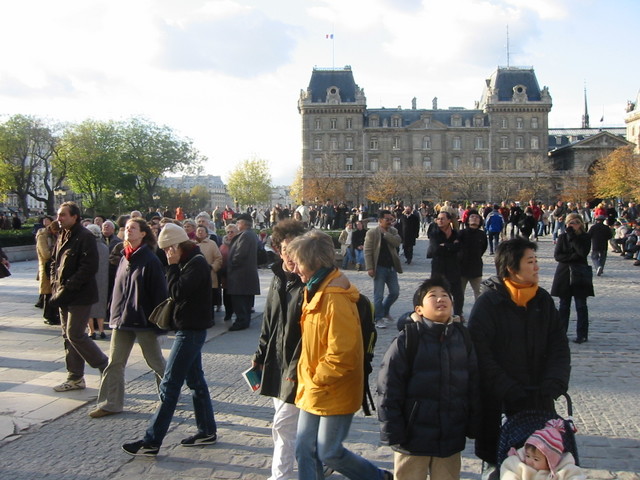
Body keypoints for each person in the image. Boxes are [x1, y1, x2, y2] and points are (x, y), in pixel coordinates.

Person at [286, 231, 393, 480]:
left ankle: (377, 477)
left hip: (331, 387)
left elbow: (342, 353)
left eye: (298, 262)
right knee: (304, 449)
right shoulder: (315, 288)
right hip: (314, 386)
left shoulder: (334, 298)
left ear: (314, 262)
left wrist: (315, 378)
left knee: (329, 452)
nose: (295, 269)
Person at [468, 237, 570, 480]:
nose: (537, 267)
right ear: (512, 268)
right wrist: (505, 386)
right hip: (499, 404)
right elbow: (480, 353)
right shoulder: (488, 303)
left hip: (538, 399)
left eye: (536, 261)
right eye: (531, 261)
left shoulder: (542, 300)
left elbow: (559, 345)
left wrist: (555, 380)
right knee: (498, 466)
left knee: (539, 467)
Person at [122, 222, 216, 456]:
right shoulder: (189, 261)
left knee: (170, 384)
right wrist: (173, 265)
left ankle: (152, 440)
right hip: (190, 328)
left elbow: (175, 292)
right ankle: (206, 430)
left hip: (191, 330)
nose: (166, 254)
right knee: (196, 382)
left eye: (168, 250)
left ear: (176, 246)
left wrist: (173, 267)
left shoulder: (196, 263)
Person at [377, 277, 480, 480]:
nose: (440, 299)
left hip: (450, 436)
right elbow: (388, 388)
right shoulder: (408, 339)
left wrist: (473, 422)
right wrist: (392, 431)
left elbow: (473, 384)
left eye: (445, 295)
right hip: (413, 438)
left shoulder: (462, 337)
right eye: (432, 296)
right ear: (419, 309)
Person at [90, 218, 168, 418]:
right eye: (126, 228)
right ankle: (110, 403)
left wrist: (158, 322)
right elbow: (117, 289)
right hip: (121, 319)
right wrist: (112, 312)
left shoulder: (150, 259)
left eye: (133, 228)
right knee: (115, 362)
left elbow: (159, 293)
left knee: (156, 362)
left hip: (144, 321)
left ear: (143, 233)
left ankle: (169, 397)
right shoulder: (124, 256)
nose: (128, 231)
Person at [252, 219, 306, 480]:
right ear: (277, 248)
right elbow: (269, 320)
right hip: (276, 360)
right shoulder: (277, 277)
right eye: (285, 248)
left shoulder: (308, 282)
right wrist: (260, 355)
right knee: (288, 424)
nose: (290, 255)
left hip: (299, 364)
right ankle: (320, 458)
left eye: (296, 249)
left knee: (283, 425)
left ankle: (280, 477)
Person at [48, 202, 109, 392]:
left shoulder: (85, 236)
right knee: (67, 335)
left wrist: (68, 287)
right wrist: (54, 284)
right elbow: (54, 262)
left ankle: (106, 366)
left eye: (63, 215)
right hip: (63, 293)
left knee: (75, 333)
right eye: (59, 215)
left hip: (80, 295)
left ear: (75, 217)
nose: (59, 218)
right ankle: (75, 377)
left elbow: (88, 267)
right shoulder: (62, 235)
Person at [550, 213, 594, 344]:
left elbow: (582, 252)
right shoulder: (563, 237)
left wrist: (573, 237)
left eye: (574, 222)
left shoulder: (585, 237)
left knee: (581, 305)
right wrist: (573, 257)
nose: (571, 225)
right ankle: (562, 333)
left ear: (580, 224)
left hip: (580, 273)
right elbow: (558, 256)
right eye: (569, 222)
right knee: (564, 305)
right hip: (564, 273)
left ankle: (582, 334)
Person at [500, 419, 585, 480]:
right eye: (528, 456)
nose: (530, 461)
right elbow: (508, 474)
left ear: (550, 461)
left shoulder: (563, 468)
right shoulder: (518, 463)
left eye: (536, 459)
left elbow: (576, 476)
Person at [364, 210, 403, 329]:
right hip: (379, 267)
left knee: (395, 292)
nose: (390, 222)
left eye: (391, 219)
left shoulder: (393, 231)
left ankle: (385, 311)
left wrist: (386, 234)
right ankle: (378, 318)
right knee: (378, 295)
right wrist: (370, 267)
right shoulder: (372, 233)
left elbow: (397, 242)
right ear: (380, 220)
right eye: (387, 219)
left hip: (391, 267)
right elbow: (368, 250)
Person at [226, 213, 260, 331]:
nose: (236, 225)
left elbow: (240, 254)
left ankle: (241, 322)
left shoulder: (245, 235)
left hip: (240, 274)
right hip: (245, 274)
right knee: (244, 301)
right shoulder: (250, 234)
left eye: (238, 222)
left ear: (244, 224)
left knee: (240, 301)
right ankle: (244, 321)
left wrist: (231, 264)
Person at [428, 211, 464, 318]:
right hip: (438, 268)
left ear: (449, 220)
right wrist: (451, 246)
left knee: (458, 295)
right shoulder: (434, 233)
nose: (440, 221)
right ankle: (437, 314)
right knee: (438, 293)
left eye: (442, 218)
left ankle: (457, 315)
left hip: (454, 268)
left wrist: (446, 246)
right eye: (438, 219)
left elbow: (459, 248)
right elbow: (436, 249)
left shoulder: (456, 234)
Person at [458, 212, 488, 311]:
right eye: (472, 217)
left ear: (480, 221)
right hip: (462, 267)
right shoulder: (461, 233)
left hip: (476, 267)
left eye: (477, 217)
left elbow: (483, 248)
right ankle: (458, 313)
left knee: (479, 293)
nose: (474, 218)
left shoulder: (482, 234)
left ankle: (478, 314)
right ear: (468, 220)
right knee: (459, 293)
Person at [194, 225, 223, 321]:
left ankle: (210, 319)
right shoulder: (191, 244)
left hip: (209, 274)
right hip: (195, 275)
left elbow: (218, 258)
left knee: (209, 299)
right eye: (198, 231)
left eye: (202, 231)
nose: (200, 233)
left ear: (207, 233)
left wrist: (213, 267)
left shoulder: (212, 244)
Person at [86, 224, 109, 340]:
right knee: (101, 304)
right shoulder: (105, 247)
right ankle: (101, 330)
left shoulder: (87, 247)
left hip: (89, 279)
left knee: (89, 305)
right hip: (103, 280)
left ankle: (91, 330)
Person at [37, 219, 61, 325]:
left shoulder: (54, 235)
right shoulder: (42, 236)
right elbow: (45, 254)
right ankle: (48, 315)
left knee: (54, 292)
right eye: (56, 232)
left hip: (55, 267)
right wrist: (56, 252)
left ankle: (54, 315)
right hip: (46, 267)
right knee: (48, 293)